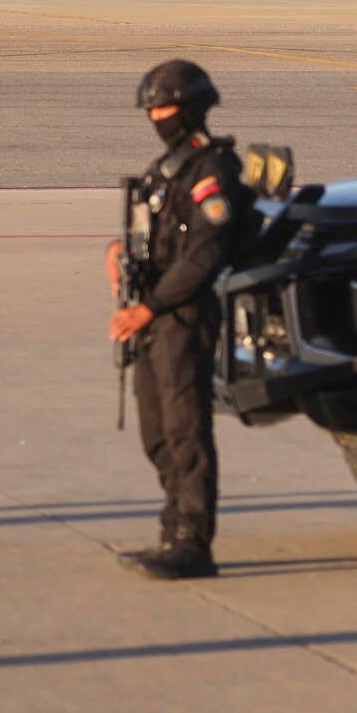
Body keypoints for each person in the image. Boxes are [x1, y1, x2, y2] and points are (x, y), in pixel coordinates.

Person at [106, 59, 249, 580]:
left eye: (163, 107)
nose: (156, 116)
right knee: (157, 433)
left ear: (189, 110)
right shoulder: (168, 170)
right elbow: (156, 238)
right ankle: (173, 529)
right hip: (152, 316)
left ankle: (193, 541)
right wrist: (118, 252)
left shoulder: (212, 171)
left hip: (181, 316)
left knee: (186, 431)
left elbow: (204, 256)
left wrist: (151, 306)